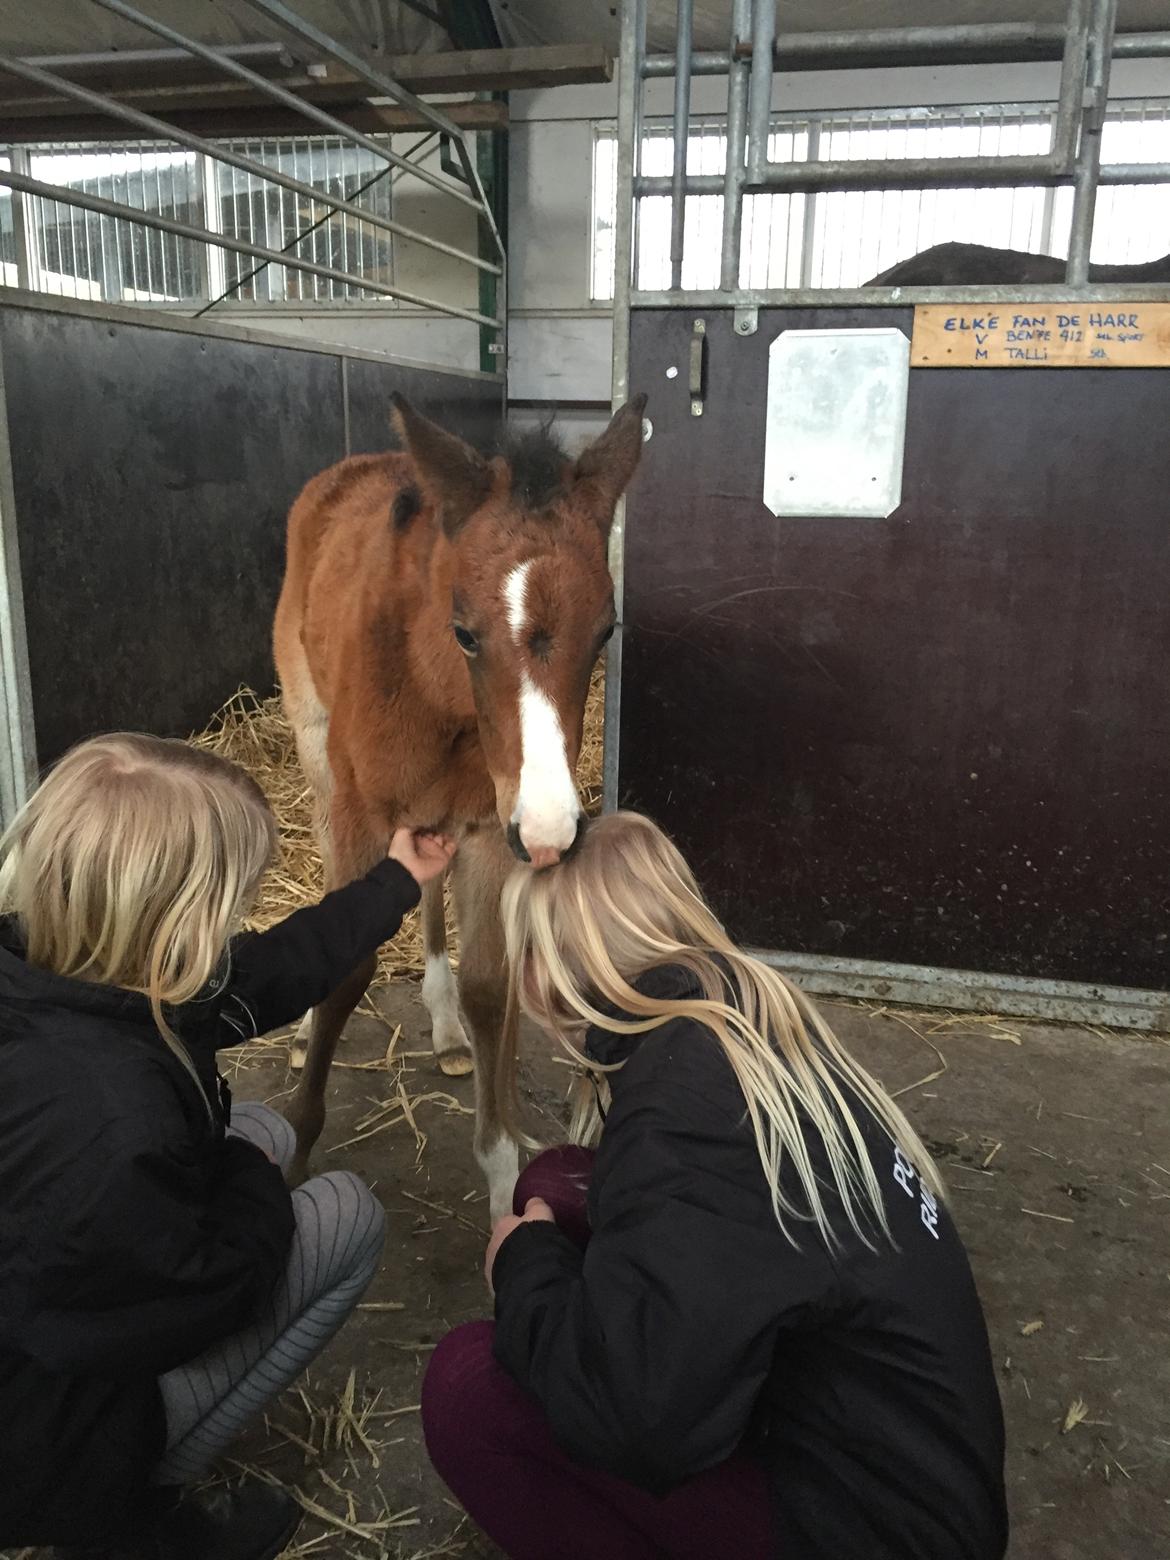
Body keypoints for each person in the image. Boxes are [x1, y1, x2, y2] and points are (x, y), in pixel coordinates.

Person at [421, 811, 1008, 1560]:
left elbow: (635, 1420)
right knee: (555, 1183)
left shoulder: (683, 1109)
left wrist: (524, 1268)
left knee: (468, 1389)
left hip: (875, 1527)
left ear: (551, 966)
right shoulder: (734, 1012)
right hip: (894, 1462)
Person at [0, 733, 455, 1560]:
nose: (238, 921)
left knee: (265, 1128)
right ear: (176, 919)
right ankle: (130, 1514)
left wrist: (393, 882)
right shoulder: (113, 1119)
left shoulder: (60, 967)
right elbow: (203, 1298)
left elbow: (263, 972)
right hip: (43, 1440)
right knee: (343, 1212)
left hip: (44, 1319)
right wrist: (251, 1183)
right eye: (233, 904)